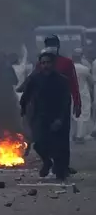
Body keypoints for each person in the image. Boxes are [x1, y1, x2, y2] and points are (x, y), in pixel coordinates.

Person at [20, 48, 71, 181]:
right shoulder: (35, 79)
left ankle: (60, 170)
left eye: (48, 63)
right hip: (40, 116)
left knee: (58, 145)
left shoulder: (61, 80)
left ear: (53, 64)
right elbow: (26, 96)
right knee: (39, 143)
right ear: (40, 64)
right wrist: (23, 110)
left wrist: (60, 119)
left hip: (57, 117)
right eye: (43, 63)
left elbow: (65, 101)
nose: (45, 65)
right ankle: (47, 162)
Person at [40, 35, 81, 175]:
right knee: (43, 137)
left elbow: (73, 83)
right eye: (48, 43)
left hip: (62, 104)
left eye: (53, 44)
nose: (51, 46)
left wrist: (77, 102)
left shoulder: (67, 63)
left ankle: (63, 166)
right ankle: (49, 161)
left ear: (58, 46)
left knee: (63, 137)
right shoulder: (42, 62)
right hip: (44, 106)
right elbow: (32, 82)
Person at [71, 48, 93, 143]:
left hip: (72, 93)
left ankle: (75, 134)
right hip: (83, 93)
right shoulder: (85, 69)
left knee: (74, 115)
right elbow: (91, 82)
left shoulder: (69, 68)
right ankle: (79, 136)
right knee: (83, 115)